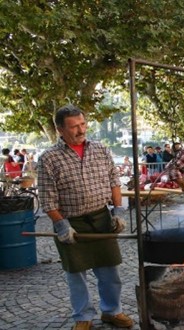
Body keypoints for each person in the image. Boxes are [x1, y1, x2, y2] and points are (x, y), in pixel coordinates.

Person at [36, 104, 133, 330]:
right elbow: (48, 199)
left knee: (110, 270)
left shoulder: (100, 149)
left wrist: (117, 211)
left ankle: (112, 311)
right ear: (60, 129)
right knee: (76, 274)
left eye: (82, 124)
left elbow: (114, 182)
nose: (80, 130)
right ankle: (83, 316)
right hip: (72, 221)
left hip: (101, 219)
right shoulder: (49, 158)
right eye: (73, 127)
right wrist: (61, 224)